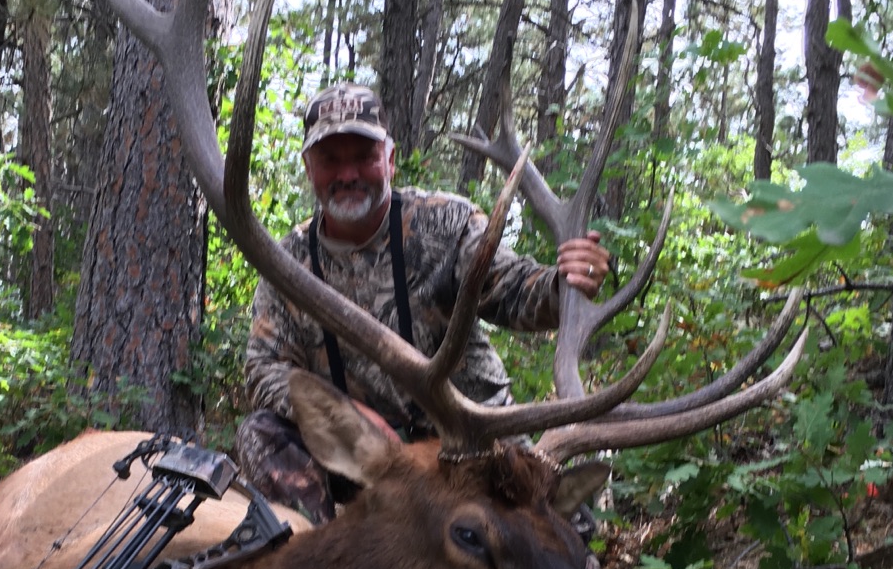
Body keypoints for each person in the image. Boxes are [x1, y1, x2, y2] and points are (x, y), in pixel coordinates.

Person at [234, 82, 611, 522]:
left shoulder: (445, 222)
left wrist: (564, 282)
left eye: (363, 156)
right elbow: (264, 368)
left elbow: (513, 290)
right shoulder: (287, 261)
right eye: (330, 159)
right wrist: (348, 418)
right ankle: (319, 566)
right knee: (262, 435)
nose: (348, 173)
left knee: (572, 551)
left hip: (470, 443)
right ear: (308, 168)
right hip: (365, 456)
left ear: (389, 160)